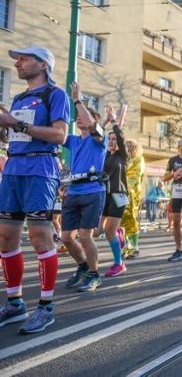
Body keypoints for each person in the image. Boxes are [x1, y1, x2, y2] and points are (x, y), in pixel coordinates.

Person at [0, 46, 70, 334]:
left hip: (40, 168)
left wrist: (14, 122)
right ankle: (15, 303)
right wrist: (5, 125)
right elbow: (15, 133)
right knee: (5, 236)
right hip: (13, 168)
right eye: (17, 59)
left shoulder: (55, 95)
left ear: (42, 65)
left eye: (23, 59)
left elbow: (60, 135)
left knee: (40, 236)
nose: (17, 63)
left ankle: (46, 307)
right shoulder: (19, 97)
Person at [59, 82, 108, 293]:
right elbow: (52, 133)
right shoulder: (72, 140)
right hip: (74, 191)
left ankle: (95, 275)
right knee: (66, 238)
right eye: (77, 115)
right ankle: (83, 268)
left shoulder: (100, 139)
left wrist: (78, 100)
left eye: (84, 115)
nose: (79, 117)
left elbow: (91, 124)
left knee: (86, 235)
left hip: (93, 191)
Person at [97, 106, 129, 277]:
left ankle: (119, 263)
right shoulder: (104, 155)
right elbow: (96, 138)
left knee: (109, 231)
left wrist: (114, 122)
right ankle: (119, 233)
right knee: (95, 231)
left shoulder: (122, 156)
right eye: (109, 139)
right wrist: (105, 123)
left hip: (119, 195)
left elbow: (121, 138)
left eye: (114, 139)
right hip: (104, 195)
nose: (111, 141)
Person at [121, 140, 145, 259]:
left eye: (131, 147)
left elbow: (135, 177)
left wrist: (126, 186)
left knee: (131, 218)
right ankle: (126, 244)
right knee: (120, 220)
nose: (129, 150)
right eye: (127, 147)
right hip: (120, 192)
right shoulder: (123, 159)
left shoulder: (139, 160)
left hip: (132, 194)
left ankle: (135, 246)